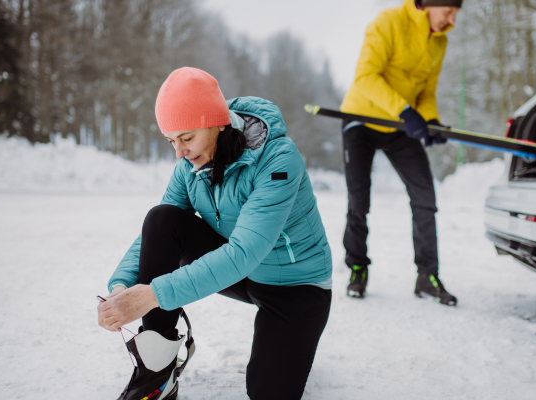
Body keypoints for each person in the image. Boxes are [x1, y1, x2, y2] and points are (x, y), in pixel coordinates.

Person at [97, 67, 332, 400]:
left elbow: (245, 253)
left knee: (269, 392)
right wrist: (122, 286)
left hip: (296, 286)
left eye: (187, 138)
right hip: (243, 276)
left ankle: (294, 342)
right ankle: (158, 366)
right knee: (163, 219)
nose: (179, 152)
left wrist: (149, 295)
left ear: (218, 122)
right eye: (171, 141)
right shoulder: (188, 168)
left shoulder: (279, 160)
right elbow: (155, 236)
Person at [340, 0, 461, 304]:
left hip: (399, 124)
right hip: (361, 120)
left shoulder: (439, 41)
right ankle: (357, 268)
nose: (451, 20)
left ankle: (427, 276)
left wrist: (429, 120)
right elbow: (365, 77)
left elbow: (427, 91)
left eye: (455, 14)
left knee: (424, 197)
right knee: (359, 199)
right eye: (448, 11)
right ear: (430, 5)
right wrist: (405, 111)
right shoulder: (388, 22)